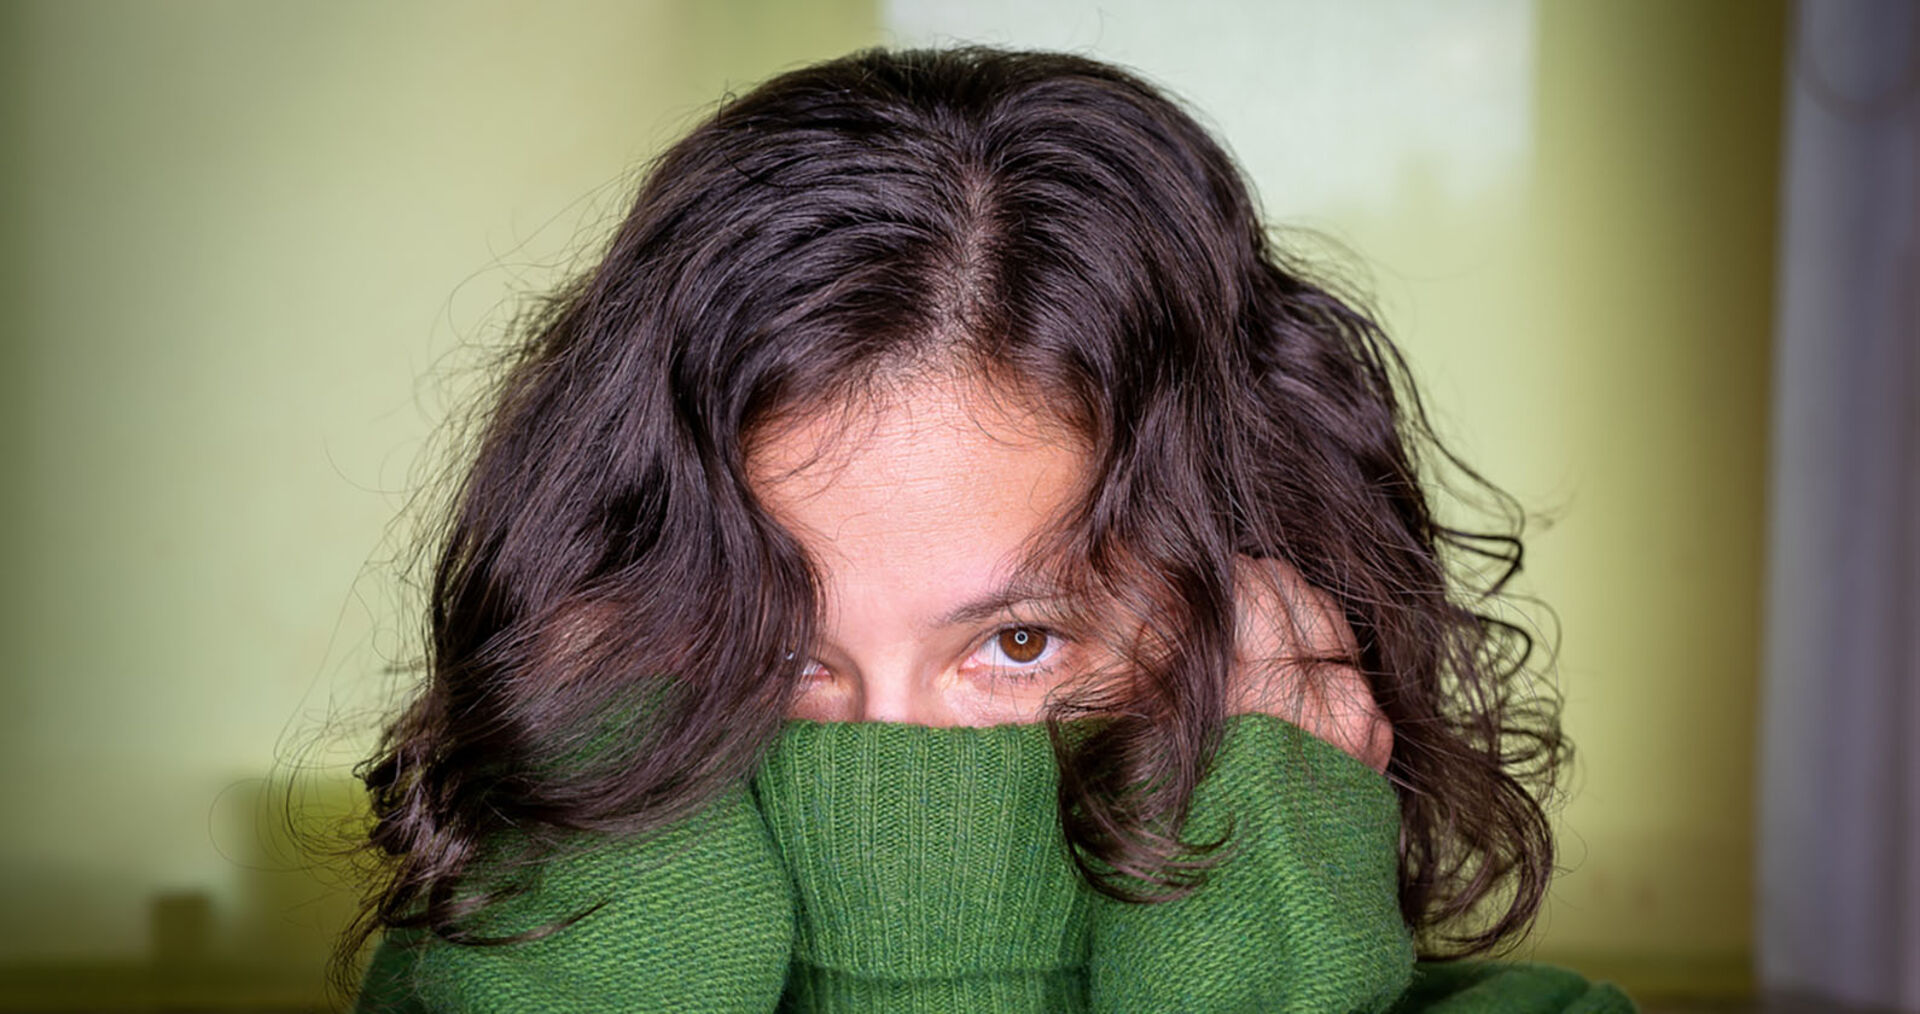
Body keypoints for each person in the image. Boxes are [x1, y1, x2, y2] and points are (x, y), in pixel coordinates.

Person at [346, 46, 1632, 1012]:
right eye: (778, 648)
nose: (892, 754)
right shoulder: (472, 985)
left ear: (1258, 607)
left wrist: (1266, 940)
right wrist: (598, 929)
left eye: (1020, 644)